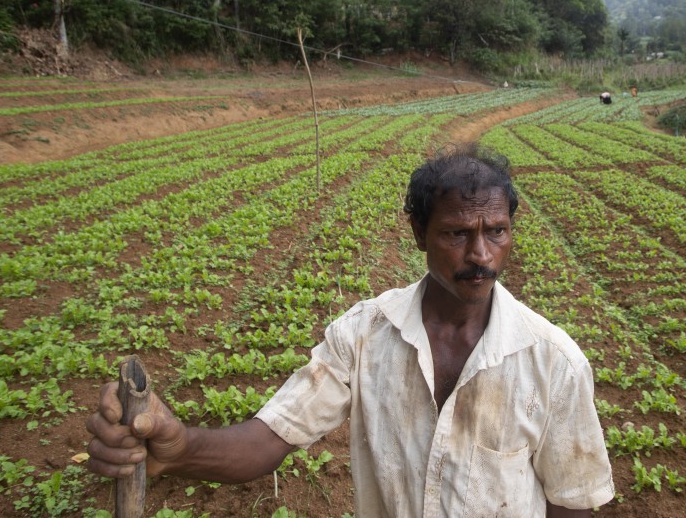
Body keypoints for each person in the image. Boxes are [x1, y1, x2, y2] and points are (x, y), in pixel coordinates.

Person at [86, 144, 614, 517]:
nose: (481, 254)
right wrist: (179, 447)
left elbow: (569, 501)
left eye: (496, 231)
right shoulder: (365, 335)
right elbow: (269, 439)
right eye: (457, 233)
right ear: (418, 234)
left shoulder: (553, 361)